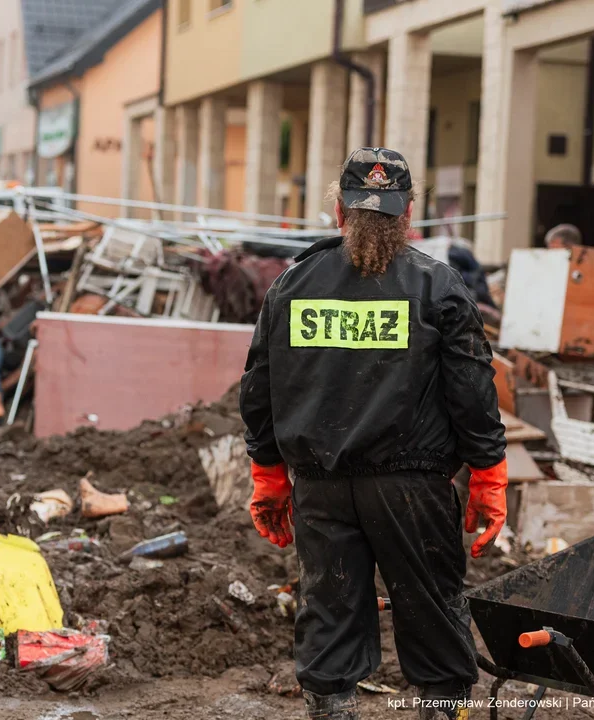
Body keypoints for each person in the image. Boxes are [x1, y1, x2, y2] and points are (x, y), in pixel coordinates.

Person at [240, 148, 508, 720]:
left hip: (321, 487)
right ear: (407, 213)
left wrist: (268, 475)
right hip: (412, 488)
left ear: (338, 212)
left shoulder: (292, 286)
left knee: (329, 612)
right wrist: (489, 475)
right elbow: (473, 391)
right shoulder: (437, 286)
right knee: (433, 614)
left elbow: (259, 387)